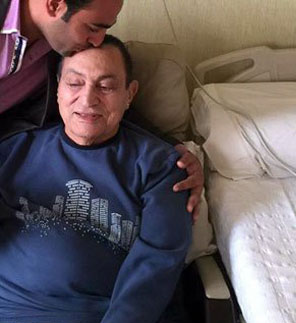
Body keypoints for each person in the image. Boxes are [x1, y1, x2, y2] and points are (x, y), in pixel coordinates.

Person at [0, 35, 192, 323]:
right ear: (57, 89)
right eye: (74, 83)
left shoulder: (161, 165)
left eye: (106, 86)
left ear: (130, 94)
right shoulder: (12, 151)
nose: (88, 99)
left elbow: (158, 264)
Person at [0, 0, 203, 221]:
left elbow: (104, 104)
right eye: (93, 28)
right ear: (55, 4)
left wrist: (176, 150)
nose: (98, 41)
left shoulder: (62, 48)